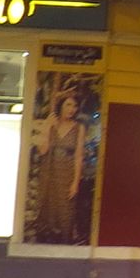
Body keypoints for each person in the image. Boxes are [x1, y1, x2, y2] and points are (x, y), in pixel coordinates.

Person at [30, 93, 86, 243]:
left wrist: (75, 182)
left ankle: (65, 240)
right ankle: (46, 239)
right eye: (68, 105)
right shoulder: (52, 125)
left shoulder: (78, 128)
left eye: (74, 106)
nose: (72, 109)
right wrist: (47, 128)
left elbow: (79, 155)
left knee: (66, 210)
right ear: (61, 106)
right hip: (49, 170)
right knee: (48, 207)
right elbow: (43, 150)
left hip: (67, 171)